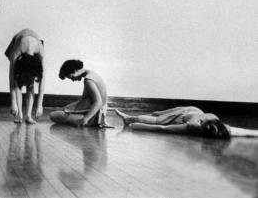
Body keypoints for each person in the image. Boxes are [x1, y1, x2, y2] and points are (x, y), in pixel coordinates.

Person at [114, 106, 258, 138]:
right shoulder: (194, 126)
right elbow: (161, 128)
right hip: (187, 111)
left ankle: (128, 118)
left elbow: (161, 128)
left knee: (157, 118)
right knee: (157, 116)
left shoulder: (194, 126)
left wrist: (136, 126)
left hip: (188, 112)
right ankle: (128, 118)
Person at [50, 59, 113, 128]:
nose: (73, 80)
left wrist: (84, 119)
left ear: (76, 70)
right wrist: (66, 108)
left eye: (72, 77)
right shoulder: (92, 74)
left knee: (53, 115)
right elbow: (85, 101)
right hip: (97, 112)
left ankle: (90, 122)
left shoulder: (89, 80)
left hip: (96, 116)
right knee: (61, 110)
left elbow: (99, 102)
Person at [5, 28, 45, 124]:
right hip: (18, 40)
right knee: (18, 82)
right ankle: (19, 114)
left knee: (30, 84)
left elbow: (42, 81)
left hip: (34, 43)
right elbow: (11, 77)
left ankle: (28, 115)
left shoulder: (40, 53)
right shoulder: (17, 51)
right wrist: (13, 103)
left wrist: (40, 105)